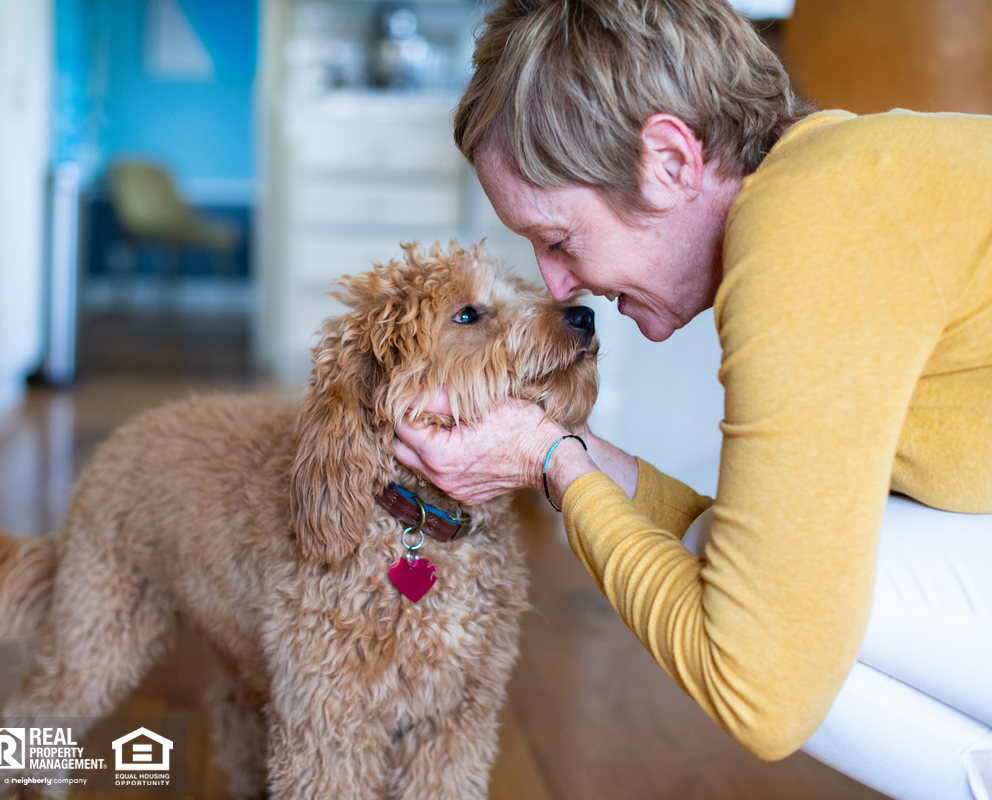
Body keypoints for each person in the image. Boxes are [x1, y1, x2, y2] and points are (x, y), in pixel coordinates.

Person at [393, 1, 992, 798]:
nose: (558, 285)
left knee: (769, 615)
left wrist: (553, 462)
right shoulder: (841, 183)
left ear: (672, 161)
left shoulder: (810, 235)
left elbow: (759, 690)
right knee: (749, 562)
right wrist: (560, 456)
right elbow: (759, 555)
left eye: (558, 239)